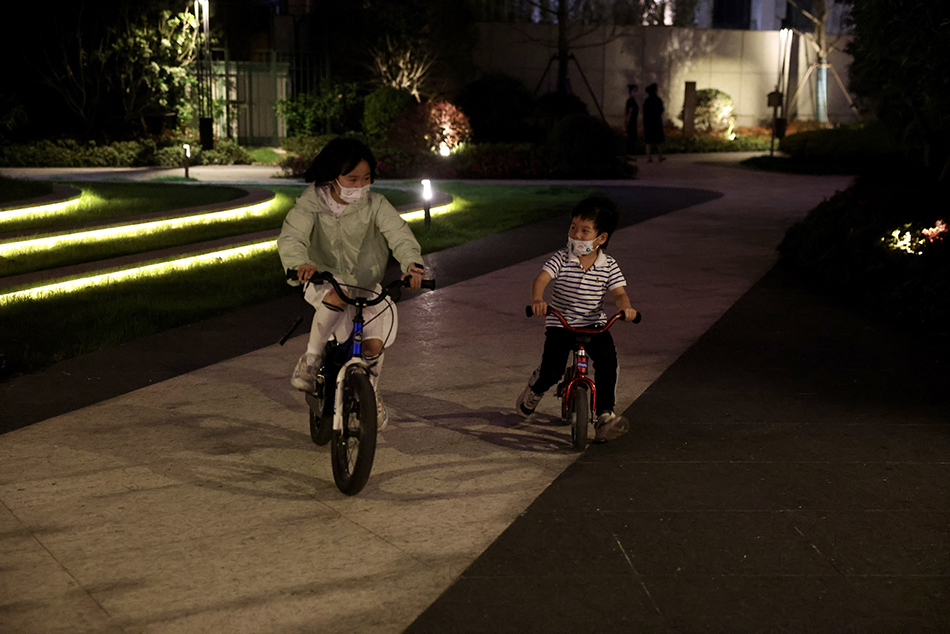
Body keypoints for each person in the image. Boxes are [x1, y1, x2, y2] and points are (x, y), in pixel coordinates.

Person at [277, 137, 425, 429]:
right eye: (352, 178)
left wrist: (413, 265)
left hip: (367, 286)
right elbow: (292, 237)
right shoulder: (311, 205)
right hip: (324, 281)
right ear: (333, 176)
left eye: (366, 179)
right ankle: (310, 359)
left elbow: (400, 235)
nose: (359, 186)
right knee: (338, 292)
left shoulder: (376, 205)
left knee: (372, 347)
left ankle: (370, 390)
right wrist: (300, 264)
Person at [516, 195, 638, 443]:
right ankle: (535, 389)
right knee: (552, 370)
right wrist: (538, 300)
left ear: (601, 238)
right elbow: (541, 279)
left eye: (585, 231)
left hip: (594, 324)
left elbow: (619, 293)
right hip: (561, 322)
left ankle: (605, 415)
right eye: (573, 227)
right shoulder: (562, 258)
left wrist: (626, 309)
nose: (576, 235)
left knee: (608, 363)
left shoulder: (609, 265)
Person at [642, 83, 666, 162]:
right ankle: (660, 156)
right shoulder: (658, 100)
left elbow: (644, 112)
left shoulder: (647, 101)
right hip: (656, 122)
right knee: (659, 140)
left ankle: (649, 157)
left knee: (648, 140)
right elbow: (661, 110)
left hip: (648, 123)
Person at [624, 83, 639, 158]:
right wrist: (627, 123)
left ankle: (630, 153)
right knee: (632, 138)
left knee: (632, 137)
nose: (636, 92)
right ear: (630, 92)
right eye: (634, 90)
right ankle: (629, 153)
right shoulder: (631, 101)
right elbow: (629, 113)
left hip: (633, 122)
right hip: (631, 123)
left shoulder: (632, 100)